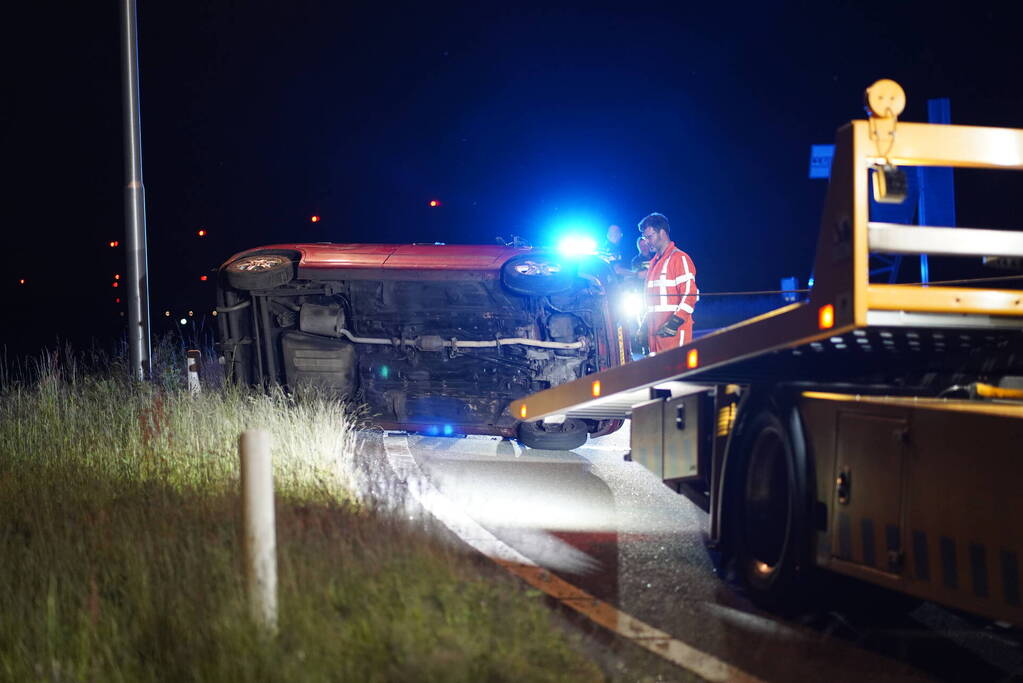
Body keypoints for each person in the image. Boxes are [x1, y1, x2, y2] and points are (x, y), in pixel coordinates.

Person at [638, 212, 698, 354]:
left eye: (650, 237)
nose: (646, 242)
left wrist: (675, 322)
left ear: (663, 233)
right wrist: (645, 325)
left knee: (677, 376)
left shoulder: (680, 258)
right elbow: (653, 301)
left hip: (674, 337)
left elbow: (690, 295)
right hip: (655, 337)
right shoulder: (654, 263)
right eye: (645, 238)